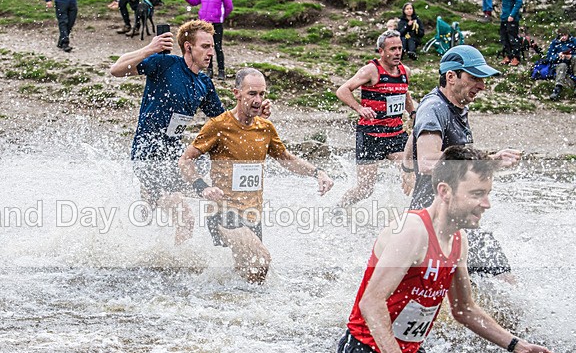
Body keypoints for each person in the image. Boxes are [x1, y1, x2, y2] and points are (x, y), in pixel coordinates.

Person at [337, 145, 565, 353]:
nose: (487, 204)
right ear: (445, 191)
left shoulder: (459, 241)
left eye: (488, 193)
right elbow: (371, 302)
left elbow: (464, 309)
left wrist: (517, 346)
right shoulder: (412, 231)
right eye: (478, 194)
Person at [179, 68, 333, 283]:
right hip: (223, 212)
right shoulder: (218, 126)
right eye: (252, 94)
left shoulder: (265, 128)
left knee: (250, 275)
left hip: (253, 214)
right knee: (261, 259)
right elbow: (186, 159)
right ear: (237, 93)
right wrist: (202, 187)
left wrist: (318, 172)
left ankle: (234, 308)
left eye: (262, 94)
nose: (258, 100)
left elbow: (286, 159)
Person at [110, 20, 249, 245]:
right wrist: (150, 48)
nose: (211, 52)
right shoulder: (164, 63)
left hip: (174, 157)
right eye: (205, 46)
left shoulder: (203, 82)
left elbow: (223, 121)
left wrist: (251, 108)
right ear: (188, 47)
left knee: (216, 196)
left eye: (212, 47)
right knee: (185, 217)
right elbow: (116, 69)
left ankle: (150, 211)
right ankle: (172, 268)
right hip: (146, 154)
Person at [403, 45, 520, 277]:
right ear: (451, 77)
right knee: (503, 281)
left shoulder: (454, 105)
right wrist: (488, 160)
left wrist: (406, 167)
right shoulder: (434, 107)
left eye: (483, 79)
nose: (482, 85)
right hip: (434, 220)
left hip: (454, 217)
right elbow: (427, 162)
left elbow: (414, 137)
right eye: (474, 77)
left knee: (480, 287)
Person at [335, 30, 414, 208]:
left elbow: (404, 93)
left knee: (411, 171)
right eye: (392, 49)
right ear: (381, 51)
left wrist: (414, 113)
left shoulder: (405, 71)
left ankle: (413, 213)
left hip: (395, 134)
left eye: (400, 48)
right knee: (365, 189)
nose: (397, 53)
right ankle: (340, 207)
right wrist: (359, 108)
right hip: (370, 135)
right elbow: (342, 90)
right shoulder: (371, 70)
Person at [180, 0, 234, 80]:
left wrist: (221, 17)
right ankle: (209, 71)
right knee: (206, 47)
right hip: (205, 25)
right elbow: (194, 1)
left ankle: (221, 71)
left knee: (217, 47)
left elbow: (229, 6)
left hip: (216, 24)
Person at [545, 27, 576, 101]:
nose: (564, 37)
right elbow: (549, 58)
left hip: (573, 64)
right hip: (559, 64)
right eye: (562, 35)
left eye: (565, 35)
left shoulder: (573, 41)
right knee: (562, 66)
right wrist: (557, 56)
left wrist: (571, 56)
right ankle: (557, 89)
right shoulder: (555, 43)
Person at [499, 0, 523, 67]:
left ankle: (516, 57)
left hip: (511, 19)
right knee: (504, 38)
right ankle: (508, 55)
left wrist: (512, 15)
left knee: (513, 38)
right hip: (504, 18)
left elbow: (518, 2)